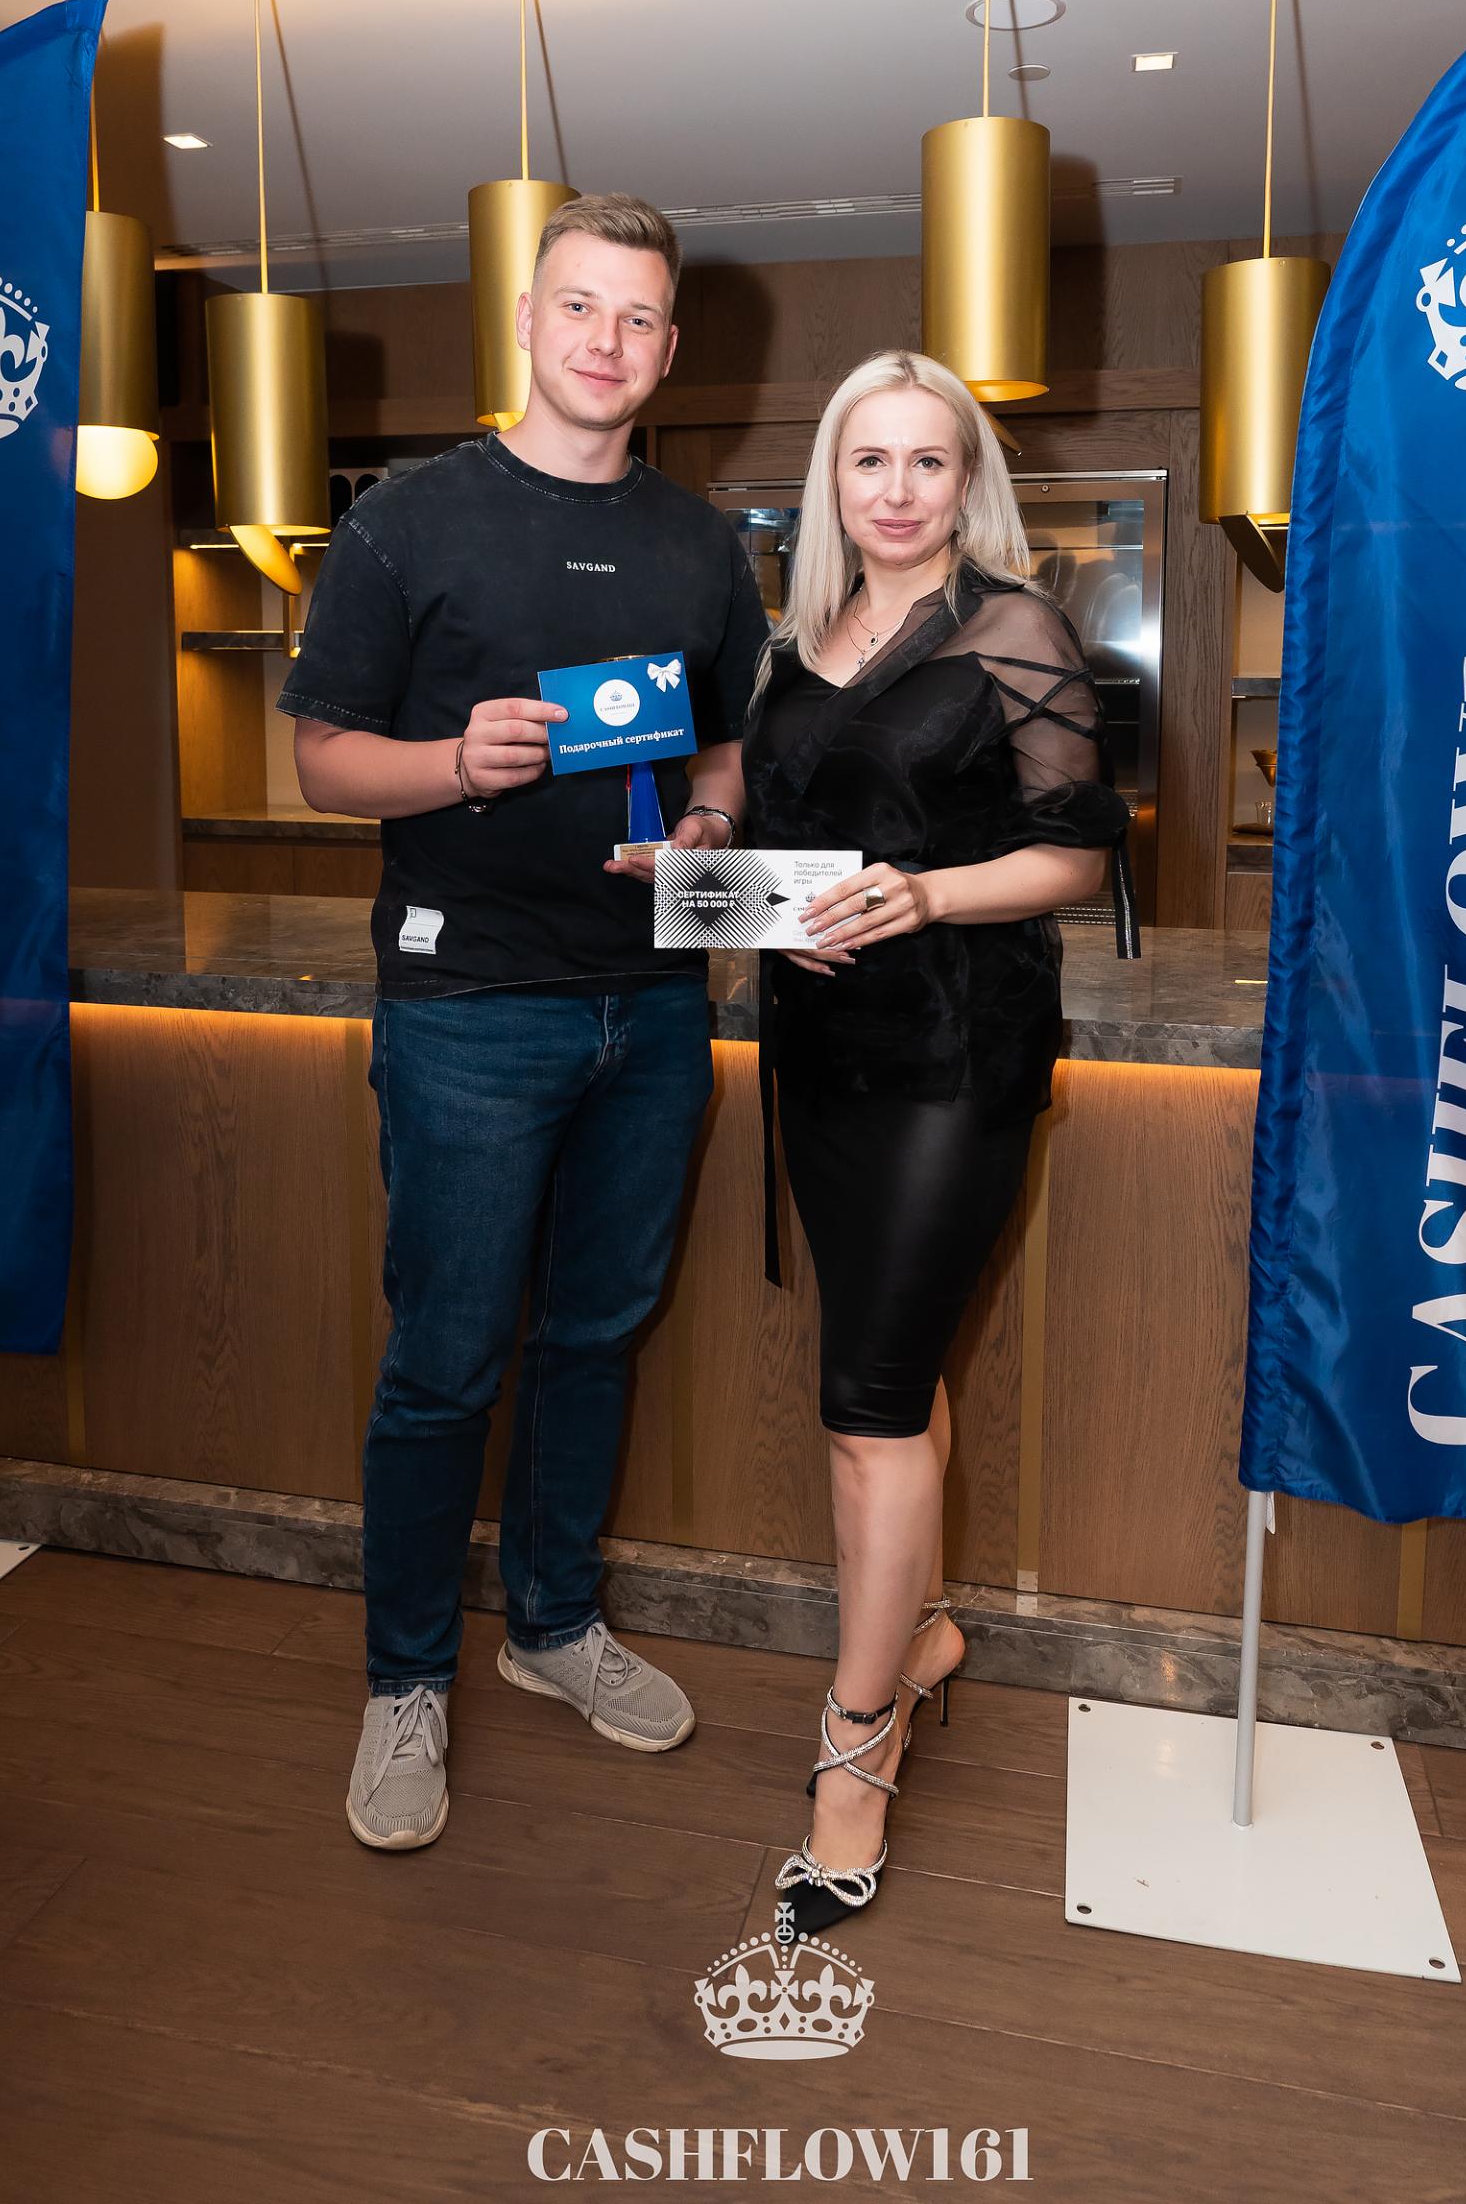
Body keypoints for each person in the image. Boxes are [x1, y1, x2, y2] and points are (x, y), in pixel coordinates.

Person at [279, 194, 769, 1851]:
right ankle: (405, 1682)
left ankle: (553, 1626)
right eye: (579, 307)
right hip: (467, 1008)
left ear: (668, 349)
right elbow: (320, 758)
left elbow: (724, 754)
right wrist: (449, 764)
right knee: (446, 1360)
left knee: (596, 1337)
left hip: (656, 1000)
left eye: (636, 318)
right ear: (525, 318)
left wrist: (712, 835)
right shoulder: (406, 522)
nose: (605, 342)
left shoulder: (701, 542)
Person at [741, 350, 1127, 1940]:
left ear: (968, 481)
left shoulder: (1012, 628)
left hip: (955, 1058)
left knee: (869, 1410)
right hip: (822, 1062)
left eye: (927, 461)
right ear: (833, 482)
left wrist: (927, 895)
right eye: (868, 461)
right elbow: (788, 861)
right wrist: (698, 881)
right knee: (892, 1379)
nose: (896, 491)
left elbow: (1079, 854)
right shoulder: (794, 647)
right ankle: (923, 1637)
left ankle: (858, 1748)